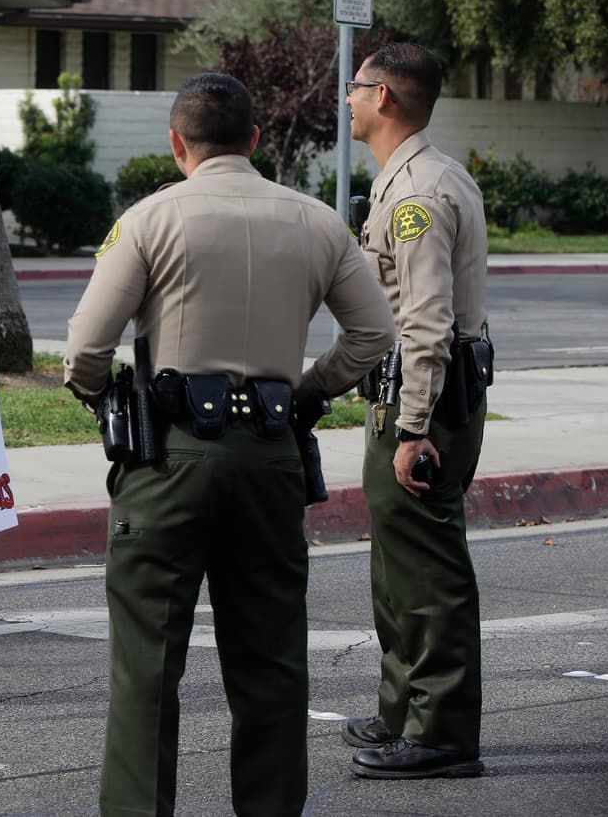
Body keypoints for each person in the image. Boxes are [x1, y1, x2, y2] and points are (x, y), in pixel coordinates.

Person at [64, 72, 394, 817]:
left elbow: (85, 350)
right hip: (272, 453)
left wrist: (105, 402)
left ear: (178, 144)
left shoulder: (149, 220)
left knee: (147, 671)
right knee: (271, 664)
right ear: (254, 140)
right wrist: (306, 394)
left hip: (169, 457)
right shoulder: (317, 222)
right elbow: (375, 335)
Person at [341, 42, 491, 779]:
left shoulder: (416, 196)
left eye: (356, 87)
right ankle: (402, 709)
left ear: (387, 100)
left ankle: (441, 733)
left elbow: (428, 323)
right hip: (411, 393)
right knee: (398, 567)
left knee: (427, 574)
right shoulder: (420, 176)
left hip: (422, 400)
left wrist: (413, 430)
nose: (348, 97)